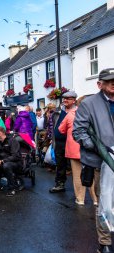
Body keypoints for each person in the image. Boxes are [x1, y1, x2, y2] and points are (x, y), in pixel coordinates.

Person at [73, 68, 114, 253]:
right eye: (109, 80)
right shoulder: (88, 104)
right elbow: (78, 132)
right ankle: (104, 242)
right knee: (104, 201)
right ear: (100, 84)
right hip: (100, 163)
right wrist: (97, 147)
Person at [58, 95, 98, 206]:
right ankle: (96, 199)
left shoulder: (71, 114)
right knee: (93, 174)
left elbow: (61, 129)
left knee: (77, 175)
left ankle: (80, 199)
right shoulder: (95, 114)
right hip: (91, 148)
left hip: (74, 148)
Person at [49, 91, 78, 193]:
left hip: (73, 143)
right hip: (59, 142)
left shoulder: (78, 112)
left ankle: (79, 189)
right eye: (64, 98)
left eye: (68, 98)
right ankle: (60, 184)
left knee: (75, 165)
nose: (65, 100)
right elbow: (53, 126)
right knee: (60, 164)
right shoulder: (58, 112)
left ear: (74, 100)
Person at [0, 126, 23, 196]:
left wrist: (2, 161)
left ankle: (12, 188)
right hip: (1, 162)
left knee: (6, 165)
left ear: (0, 134)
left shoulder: (12, 141)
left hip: (15, 163)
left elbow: (15, 156)